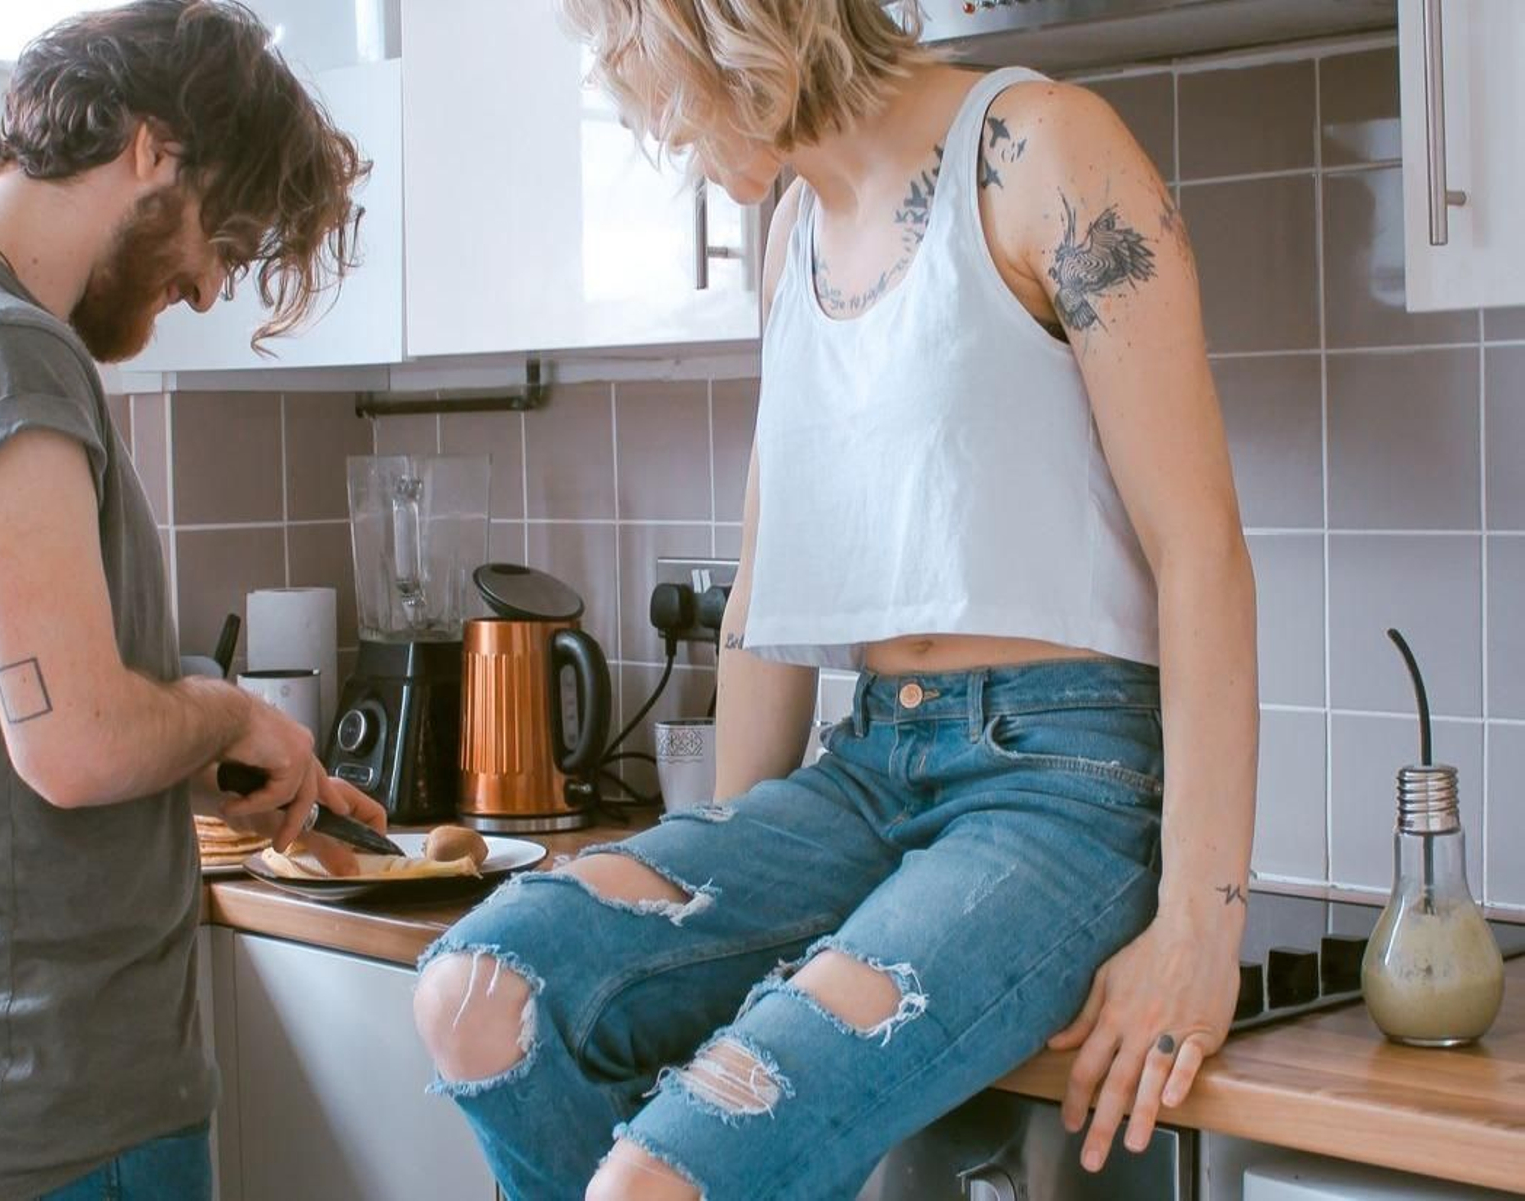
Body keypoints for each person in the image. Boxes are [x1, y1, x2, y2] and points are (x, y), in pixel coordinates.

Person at [413, 2, 1258, 1198]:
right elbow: (764, 590)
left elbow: (1201, 552)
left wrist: (1200, 931)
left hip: (1060, 794)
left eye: (651, 82)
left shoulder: (1043, 152)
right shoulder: (792, 233)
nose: (659, 131)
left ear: (729, 28)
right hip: (867, 771)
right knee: (476, 994)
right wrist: (723, 914)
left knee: (647, 1184)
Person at [0, 2, 384, 1197]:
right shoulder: (3, 353)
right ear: (151, 149)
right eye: (225, 235)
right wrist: (229, 713)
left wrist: (207, 751)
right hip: (62, 1100)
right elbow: (71, 742)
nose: (212, 285)